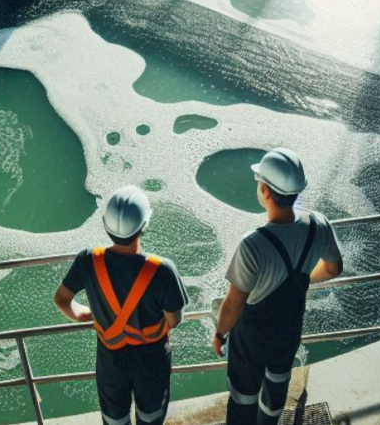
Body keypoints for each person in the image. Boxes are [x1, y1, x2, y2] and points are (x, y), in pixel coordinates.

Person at [212, 148, 344, 425]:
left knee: (243, 395)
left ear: (266, 192)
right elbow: (333, 268)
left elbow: (234, 304)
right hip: (289, 329)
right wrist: (304, 277)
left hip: (251, 339)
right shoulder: (318, 224)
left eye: (259, 181)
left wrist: (220, 333)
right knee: (277, 383)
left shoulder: (253, 244)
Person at [54, 185, 188, 425]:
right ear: (144, 226)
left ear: (106, 225)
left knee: (114, 419)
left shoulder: (87, 260)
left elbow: (62, 300)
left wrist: (85, 314)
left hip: (111, 359)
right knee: (151, 416)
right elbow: (174, 321)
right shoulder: (162, 270)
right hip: (151, 359)